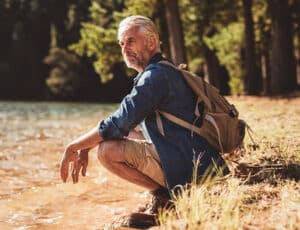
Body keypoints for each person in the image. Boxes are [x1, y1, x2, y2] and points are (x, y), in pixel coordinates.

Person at [60, 15, 228, 226]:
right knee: (109, 140)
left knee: (107, 151)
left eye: (130, 40)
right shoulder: (164, 70)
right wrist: (87, 145)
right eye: (121, 43)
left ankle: (165, 197)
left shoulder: (154, 77)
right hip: (199, 161)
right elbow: (127, 127)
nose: (124, 48)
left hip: (193, 168)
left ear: (151, 41)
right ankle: (164, 194)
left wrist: (75, 145)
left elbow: (118, 122)